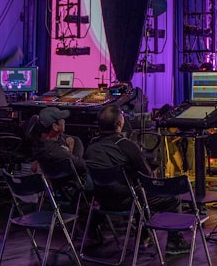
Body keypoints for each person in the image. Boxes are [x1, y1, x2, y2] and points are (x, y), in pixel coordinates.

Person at [85, 105, 187, 254]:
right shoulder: (127, 145)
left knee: (139, 192)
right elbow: (147, 177)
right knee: (171, 197)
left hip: (102, 201)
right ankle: (175, 243)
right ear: (120, 124)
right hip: (127, 201)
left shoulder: (91, 146)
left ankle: (144, 235)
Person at [29, 106, 86, 175]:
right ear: (55, 127)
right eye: (61, 119)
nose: (64, 121)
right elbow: (81, 165)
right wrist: (70, 150)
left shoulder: (41, 139)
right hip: (65, 183)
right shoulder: (54, 150)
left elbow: (76, 139)